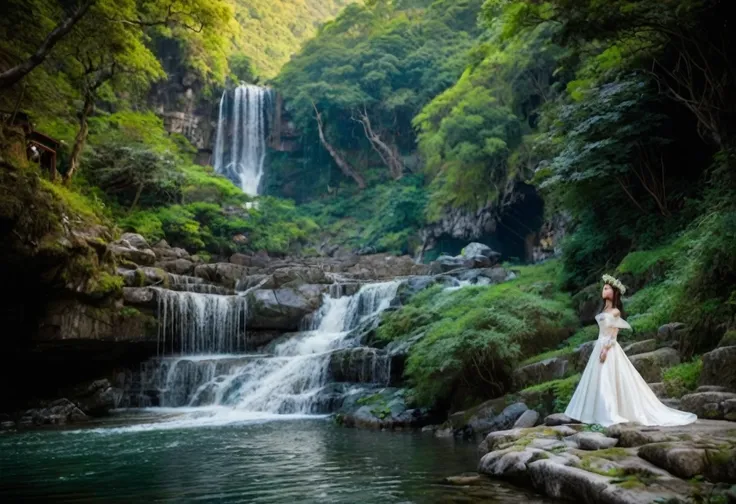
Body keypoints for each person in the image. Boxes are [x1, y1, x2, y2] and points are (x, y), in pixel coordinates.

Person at [564, 274, 697, 427]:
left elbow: (614, 334)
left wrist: (606, 349)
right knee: (596, 377)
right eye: (604, 287)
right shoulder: (605, 308)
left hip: (608, 346)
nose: (603, 290)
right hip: (599, 344)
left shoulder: (615, 312)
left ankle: (609, 411)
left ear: (614, 293)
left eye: (607, 288)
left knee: (607, 378)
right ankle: (592, 413)